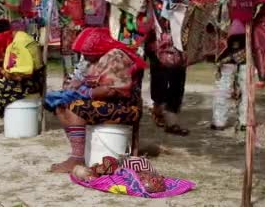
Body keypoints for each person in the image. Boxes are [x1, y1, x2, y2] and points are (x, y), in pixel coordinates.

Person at [44, 27, 147, 173]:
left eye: (87, 54)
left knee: (77, 106)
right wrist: (73, 88)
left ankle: (77, 158)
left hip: (125, 106)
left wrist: (83, 92)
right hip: (105, 102)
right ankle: (77, 152)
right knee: (60, 105)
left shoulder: (115, 57)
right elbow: (88, 82)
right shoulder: (97, 59)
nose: (85, 58)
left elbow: (111, 91)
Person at [146, 32, 189, 136]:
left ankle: (171, 121)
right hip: (157, 39)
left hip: (179, 39)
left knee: (177, 82)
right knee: (159, 79)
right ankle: (158, 109)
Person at [211, 19, 249, 131]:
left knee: (224, 82)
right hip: (246, 36)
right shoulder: (254, 1)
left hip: (226, 37)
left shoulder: (220, 1)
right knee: (245, 82)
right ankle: (245, 120)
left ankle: (219, 121)